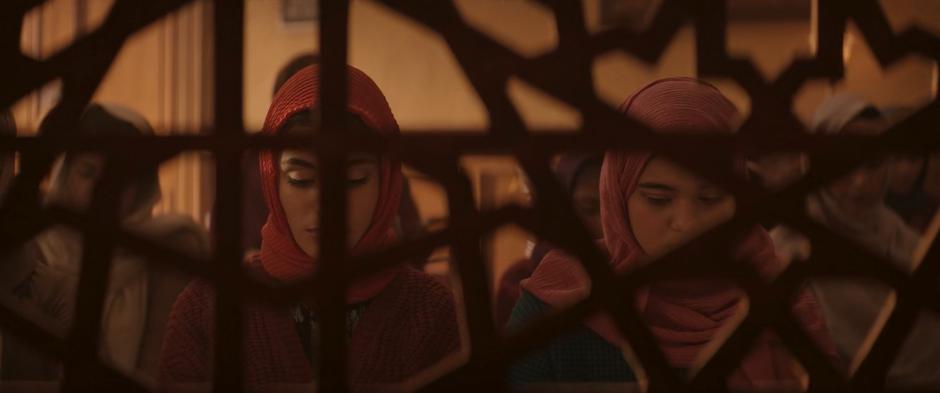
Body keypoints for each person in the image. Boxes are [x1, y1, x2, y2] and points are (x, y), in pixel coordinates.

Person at [508, 78, 839, 388]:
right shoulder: (560, 300)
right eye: (658, 199)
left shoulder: (781, 298)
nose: (687, 223)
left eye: (711, 199)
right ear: (618, 196)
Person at [159, 65, 460, 387]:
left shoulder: (429, 310)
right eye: (301, 180)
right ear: (272, 180)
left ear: (386, 182)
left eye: (353, 180)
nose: (327, 204)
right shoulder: (210, 309)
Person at [0, 104, 209, 378]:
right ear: (65, 173)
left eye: (119, 177)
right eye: (87, 173)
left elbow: (160, 368)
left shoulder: (168, 247)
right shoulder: (29, 240)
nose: (101, 190)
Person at [772, 94, 940, 388]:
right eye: (844, 162)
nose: (861, 181)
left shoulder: (902, 238)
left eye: (873, 163)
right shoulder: (785, 248)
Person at [494, 152, 602, 329]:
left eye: (614, 208)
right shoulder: (520, 280)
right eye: (589, 207)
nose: (606, 222)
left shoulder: (641, 273)